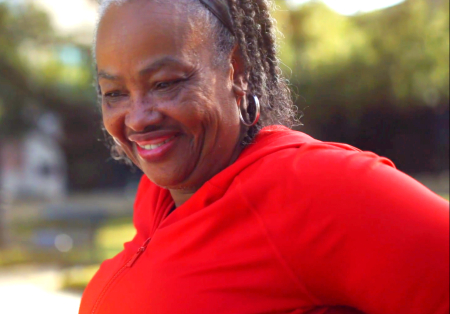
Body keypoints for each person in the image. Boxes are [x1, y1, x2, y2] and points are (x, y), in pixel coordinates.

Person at [79, 0, 449, 313]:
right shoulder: (159, 200)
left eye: (165, 83)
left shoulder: (311, 186)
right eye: (113, 92)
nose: (138, 117)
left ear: (235, 71)